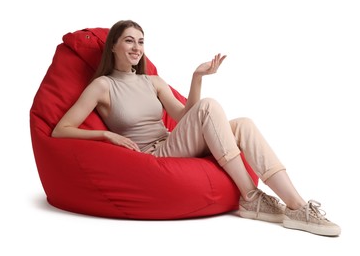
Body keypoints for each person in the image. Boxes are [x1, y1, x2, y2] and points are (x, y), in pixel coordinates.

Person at [52, 20, 340, 236]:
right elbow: (61, 129)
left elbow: (185, 116)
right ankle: (251, 196)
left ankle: (297, 206)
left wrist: (197, 77)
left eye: (141, 42)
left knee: (244, 125)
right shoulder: (103, 86)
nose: (137, 48)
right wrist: (106, 134)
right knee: (210, 107)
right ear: (113, 45)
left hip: (172, 142)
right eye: (129, 41)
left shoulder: (152, 81)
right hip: (153, 156)